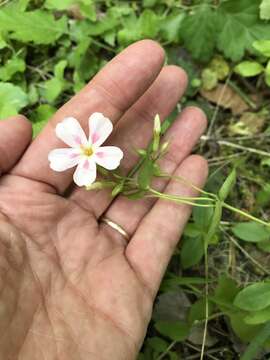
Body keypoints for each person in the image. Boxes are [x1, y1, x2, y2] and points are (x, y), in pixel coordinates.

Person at [0, 40, 208, 359]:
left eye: (87, 149)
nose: (85, 150)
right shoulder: (80, 161)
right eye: (85, 149)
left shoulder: (97, 144)